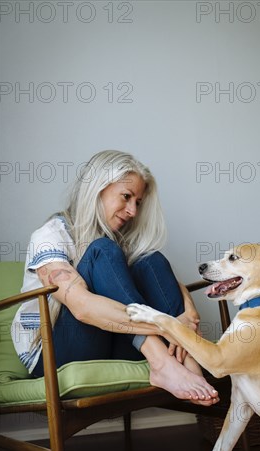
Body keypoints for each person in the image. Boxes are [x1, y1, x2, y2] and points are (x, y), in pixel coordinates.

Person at [11, 150, 219, 405]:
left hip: (111, 338)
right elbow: (82, 309)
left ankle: (189, 365)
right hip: (55, 353)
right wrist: (172, 326)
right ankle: (161, 362)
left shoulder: (117, 239)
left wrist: (189, 315)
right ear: (98, 188)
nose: (132, 210)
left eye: (138, 202)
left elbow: (167, 282)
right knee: (103, 250)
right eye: (126, 196)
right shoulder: (49, 236)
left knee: (149, 259)